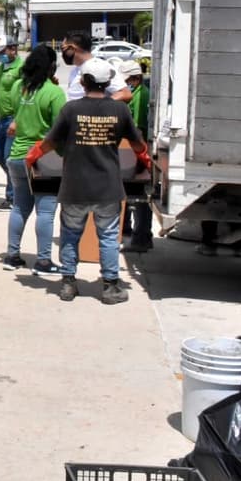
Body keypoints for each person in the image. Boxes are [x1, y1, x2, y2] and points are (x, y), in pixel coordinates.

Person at [26, 58, 151, 305]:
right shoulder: (120, 110)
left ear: (83, 81)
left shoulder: (71, 110)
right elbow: (137, 145)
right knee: (108, 236)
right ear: (107, 83)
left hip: (74, 187)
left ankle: (68, 284)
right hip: (107, 188)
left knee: (71, 235)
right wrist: (146, 160)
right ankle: (110, 286)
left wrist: (33, 156)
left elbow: (50, 142)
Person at [2, 45, 65, 274]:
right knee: (46, 212)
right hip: (43, 159)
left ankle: (12, 255)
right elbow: (60, 129)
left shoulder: (19, 87)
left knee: (19, 206)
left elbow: (15, 114)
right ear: (51, 67)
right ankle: (44, 261)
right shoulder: (54, 93)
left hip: (17, 155)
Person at [117, 60, 154, 253]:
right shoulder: (135, 93)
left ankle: (142, 238)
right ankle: (132, 231)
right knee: (133, 194)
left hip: (138, 151)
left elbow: (138, 130)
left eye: (128, 80)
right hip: (133, 150)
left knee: (140, 196)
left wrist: (135, 157)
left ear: (137, 78)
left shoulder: (141, 96)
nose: (126, 84)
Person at [0, 40, 23, 211]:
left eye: (2, 51)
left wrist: (17, 119)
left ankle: (12, 197)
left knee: (8, 158)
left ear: (13, 49)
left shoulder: (21, 69)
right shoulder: (1, 69)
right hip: (2, 118)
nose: (0, 55)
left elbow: (26, 94)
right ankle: (19, 183)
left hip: (14, 118)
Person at [60, 33, 132, 103]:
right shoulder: (74, 70)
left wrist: (97, 107)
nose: (62, 53)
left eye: (63, 48)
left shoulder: (101, 67)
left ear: (72, 48)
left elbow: (125, 94)